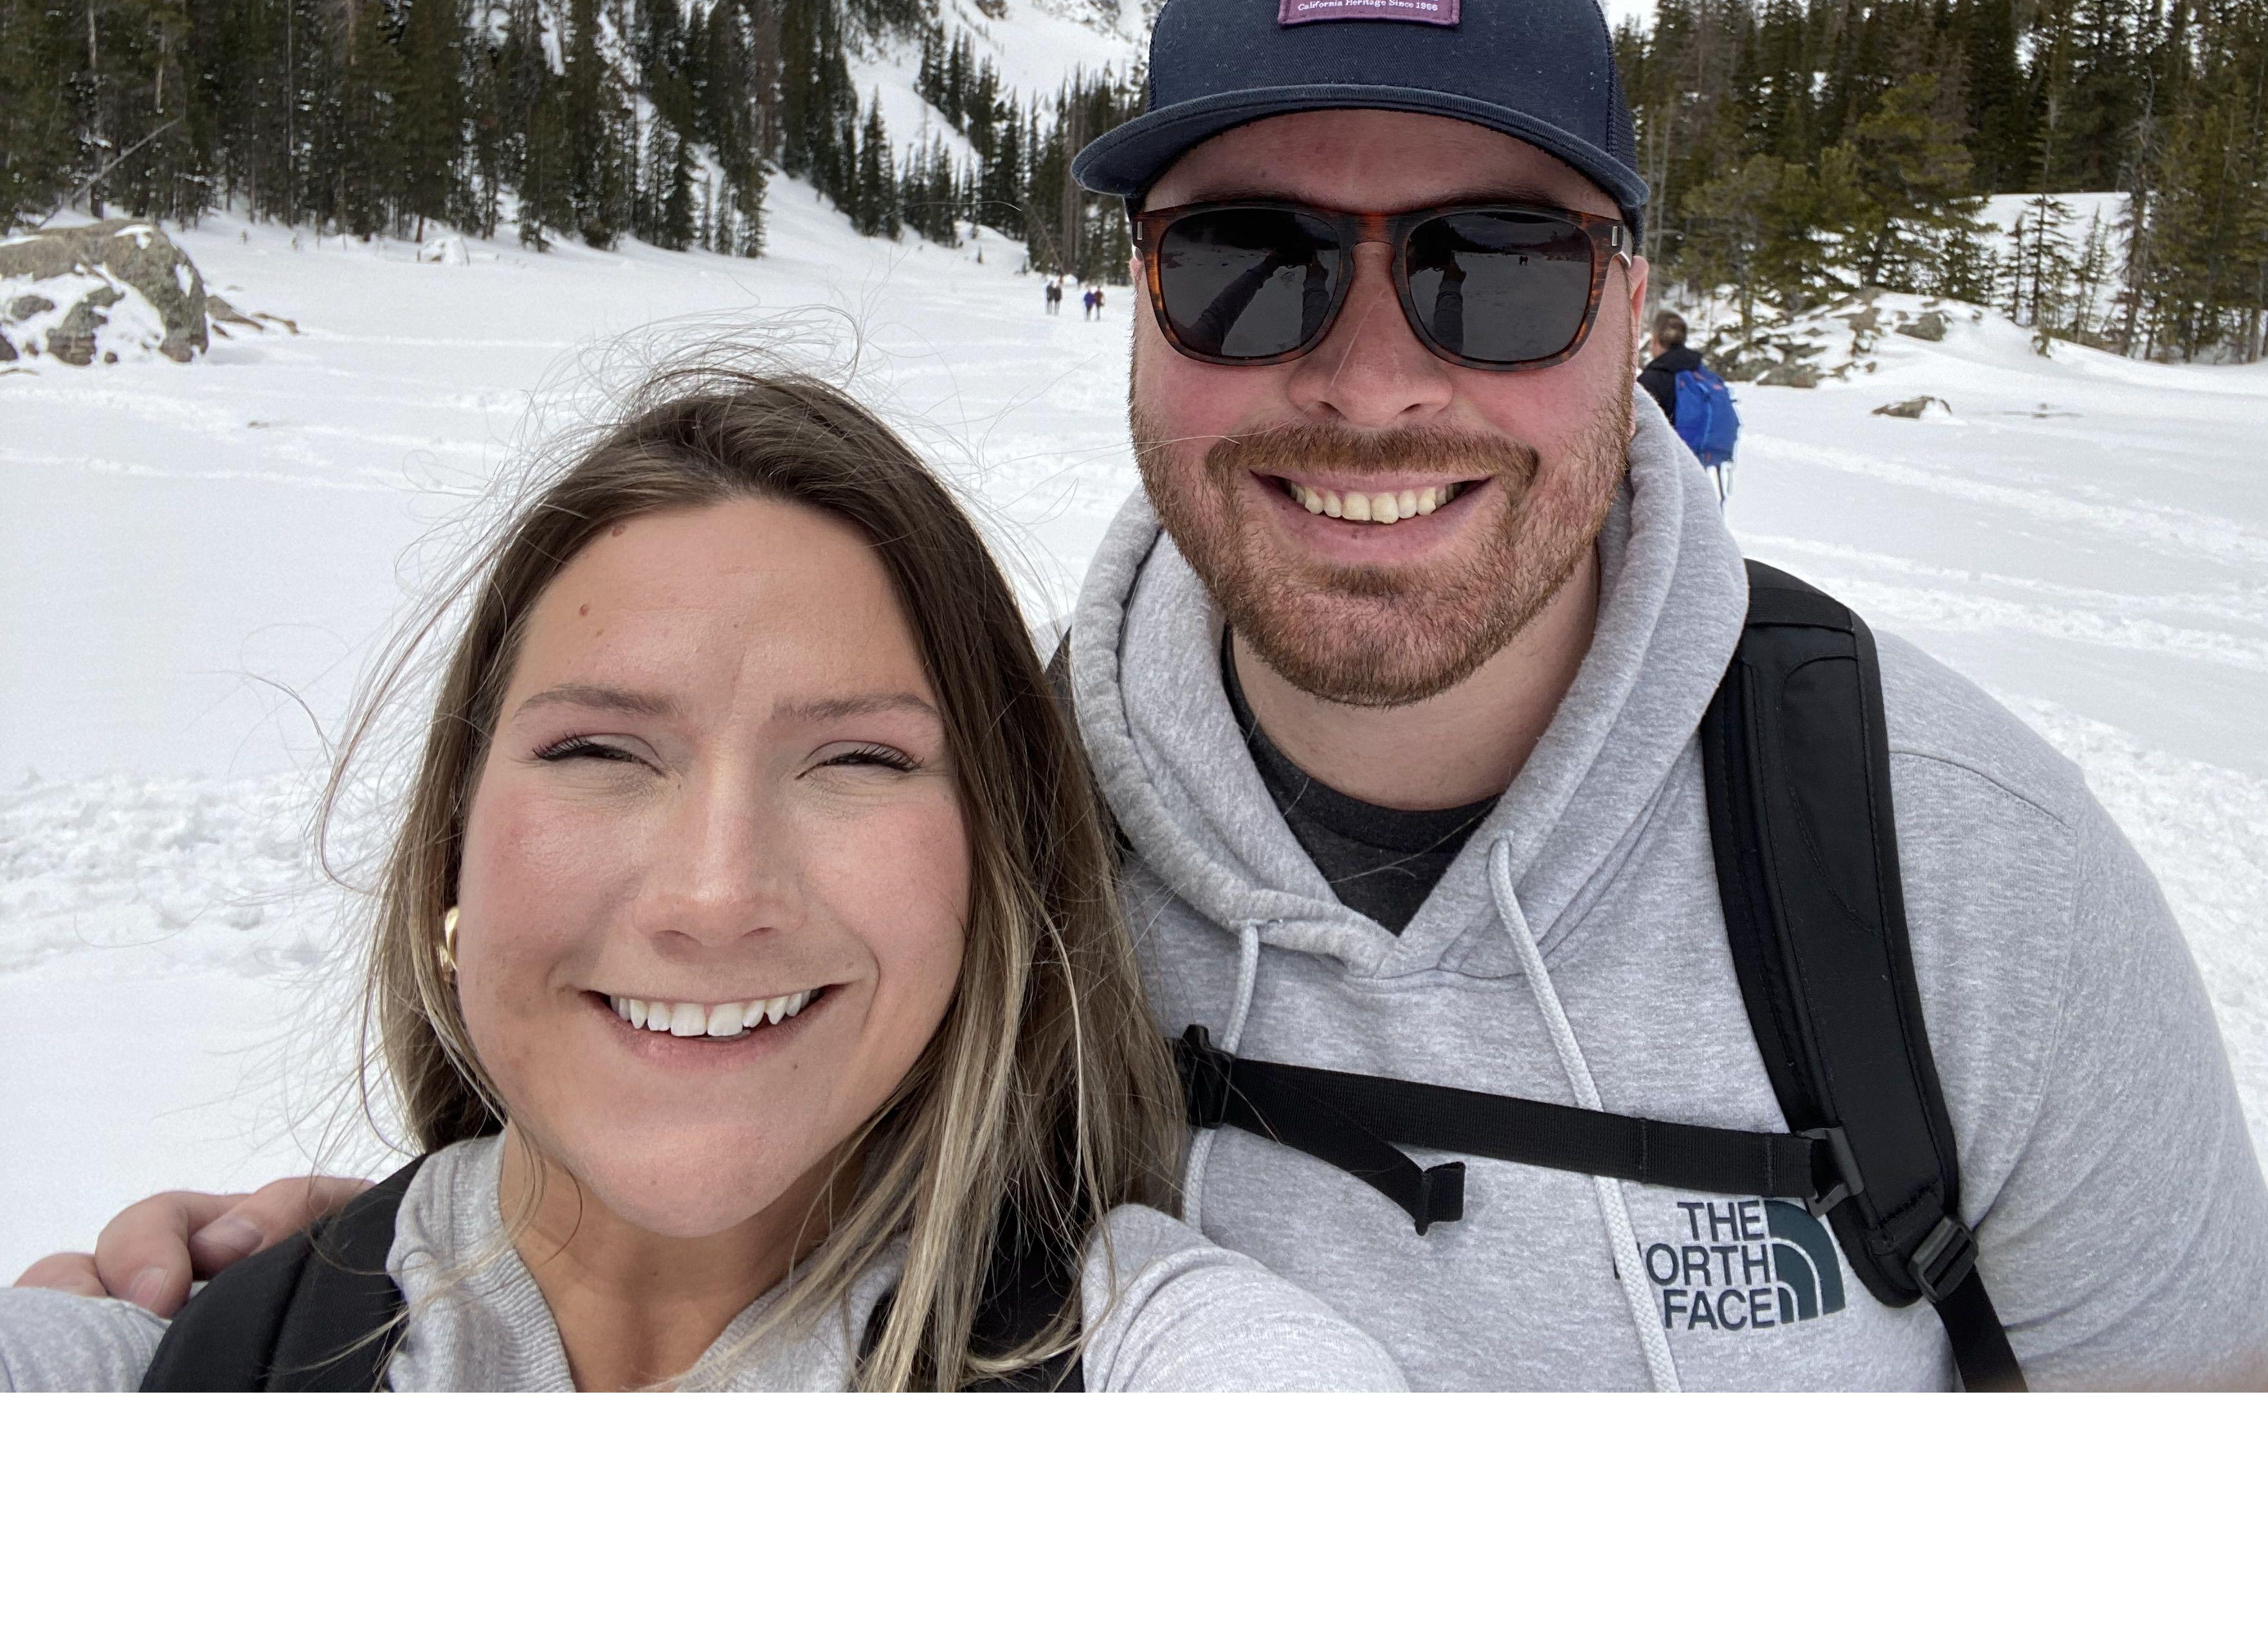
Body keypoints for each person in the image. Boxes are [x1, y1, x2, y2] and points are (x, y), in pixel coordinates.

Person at [65, 0, 2268, 1393]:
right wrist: (347, 1286)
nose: (1368, 379)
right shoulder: (967, 832)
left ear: (1631, 308)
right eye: (1248, 261)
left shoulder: (1948, 877)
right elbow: (683, 1176)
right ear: (1135, 305)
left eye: (1498, 269)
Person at [2, 371, 1401, 1392]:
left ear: (996, 872)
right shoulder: (175, 1365)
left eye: (856, 760)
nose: (717, 894)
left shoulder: (1157, 1366)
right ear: (451, 851)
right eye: (601, 751)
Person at [1638, 308, 1737, 500]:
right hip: (1697, 468)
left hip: (1663, 474)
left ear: (1655, 340)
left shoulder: (1651, 380)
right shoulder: (1700, 373)